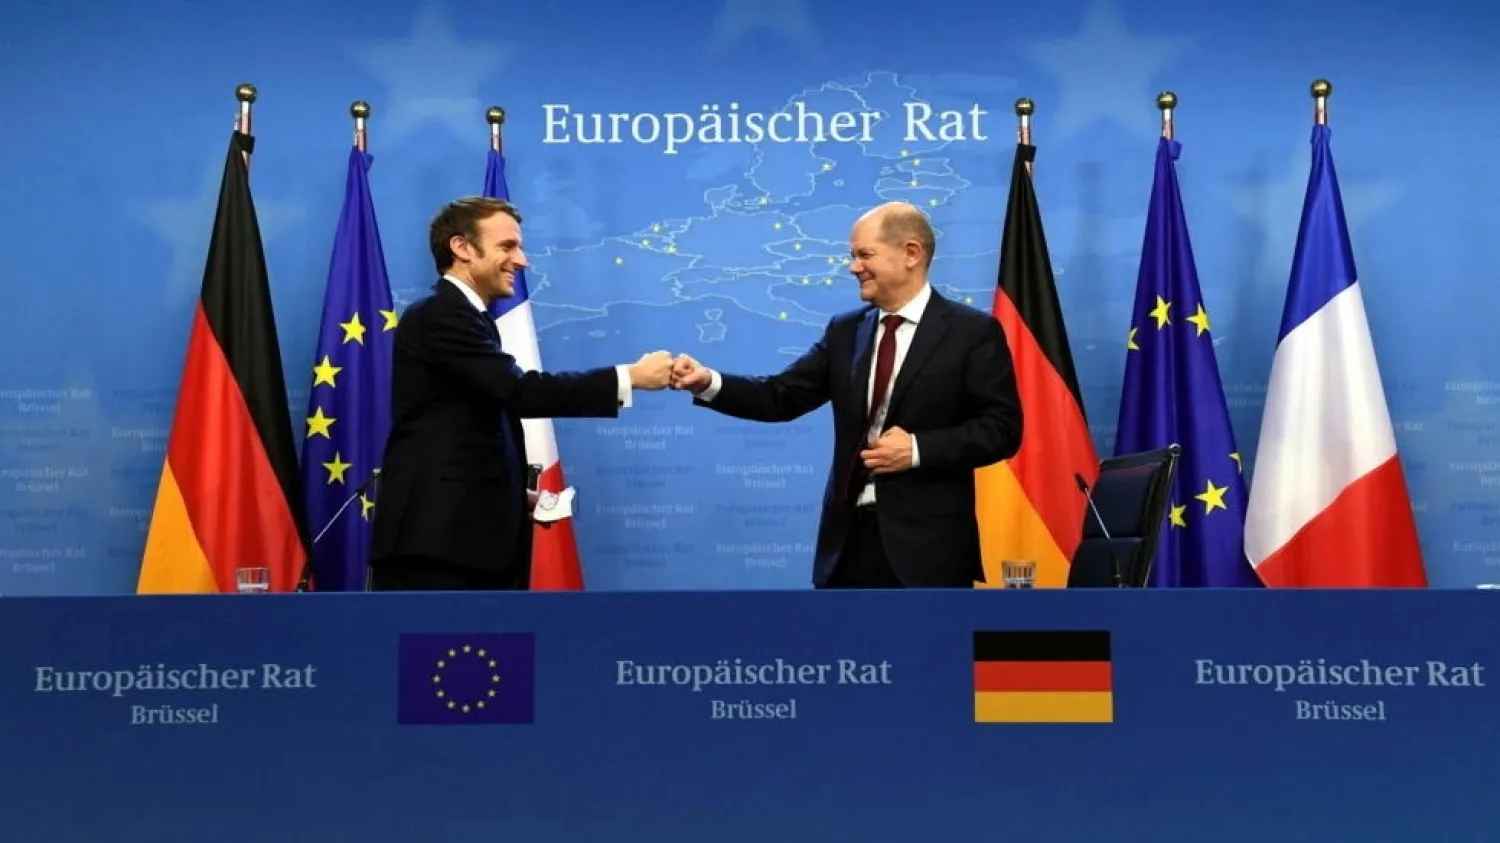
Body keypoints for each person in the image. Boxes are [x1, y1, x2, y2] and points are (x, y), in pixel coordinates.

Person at [670, 202, 1023, 588]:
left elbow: (1002, 429)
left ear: (911, 253)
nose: (853, 267)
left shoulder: (971, 333)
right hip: (846, 548)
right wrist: (707, 382)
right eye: (852, 256)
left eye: (864, 255)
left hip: (928, 553)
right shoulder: (845, 332)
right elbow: (779, 396)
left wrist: (919, 449)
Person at [369, 196, 674, 591]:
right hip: (438, 545)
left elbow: (463, 428)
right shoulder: (440, 315)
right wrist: (629, 376)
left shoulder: (468, 319)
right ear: (461, 248)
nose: (522, 261)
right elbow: (519, 392)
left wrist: (509, 495)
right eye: (507, 246)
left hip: (465, 538)